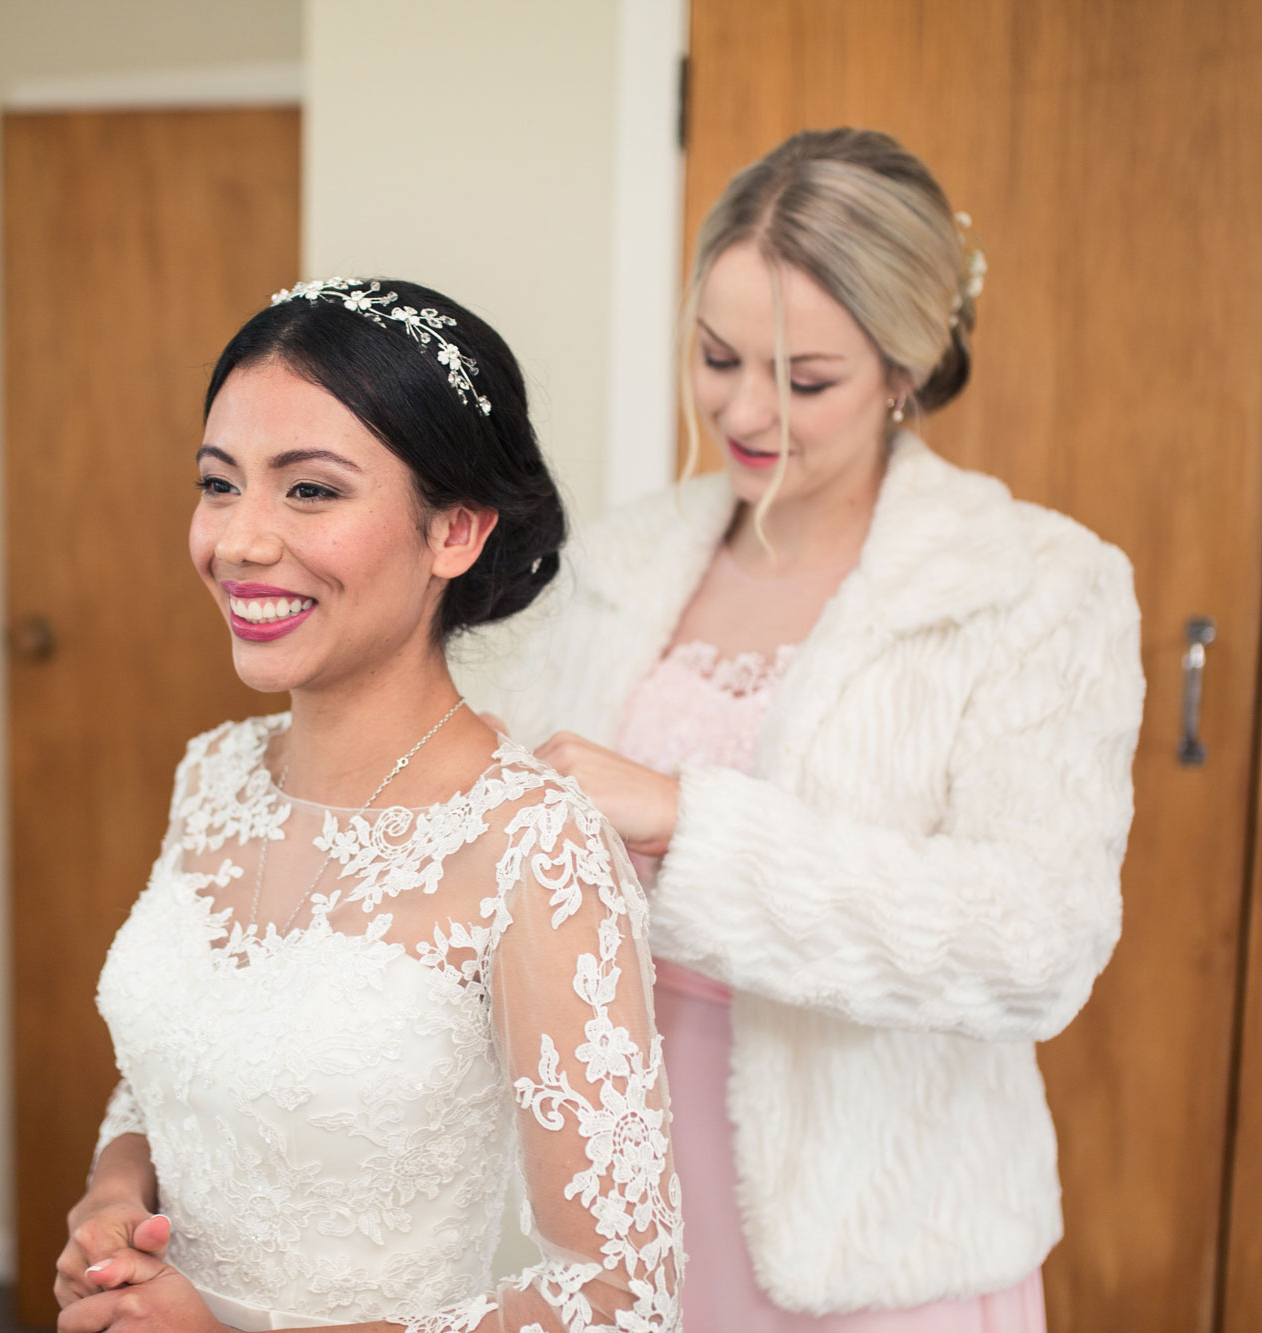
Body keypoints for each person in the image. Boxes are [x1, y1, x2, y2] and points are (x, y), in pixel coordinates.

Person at [475, 129, 1144, 1329]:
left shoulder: (1034, 583)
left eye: (804, 378)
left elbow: (1037, 939)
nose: (742, 408)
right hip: (611, 1166)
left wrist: (688, 824)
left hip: (870, 1217)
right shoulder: (618, 557)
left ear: (905, 367)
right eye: (716, 356)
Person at [54, 278, 684, 1333]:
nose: (238, 542)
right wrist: (116, 1196)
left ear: (455, 531)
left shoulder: (535, 846)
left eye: (308, 491)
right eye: (219, 483)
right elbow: (173, 1077)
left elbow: (620, 1296)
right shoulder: (213, 776)